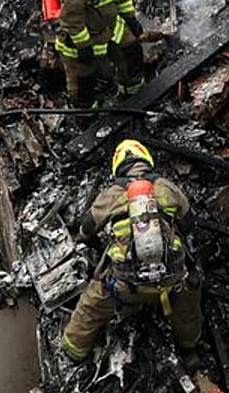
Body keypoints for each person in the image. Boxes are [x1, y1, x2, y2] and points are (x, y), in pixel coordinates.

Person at [61, 140, 203, 370]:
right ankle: (189, 347)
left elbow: (87, 229)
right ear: (147, 161)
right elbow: (189, 224)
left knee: (91, 306)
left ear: (118, 167)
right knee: (189, 302)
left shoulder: (113, 193)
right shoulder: (167, 187)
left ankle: (73, 350)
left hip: (126, 287)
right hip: (170, 283)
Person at [49, 0, 149, 108]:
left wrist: (130, 18)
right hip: (78, 34)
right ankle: (86, 117)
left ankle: (134, 99)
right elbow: (70, 14)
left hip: (108, 23)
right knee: (83, 84)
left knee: (131, 53)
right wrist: (84, 45)